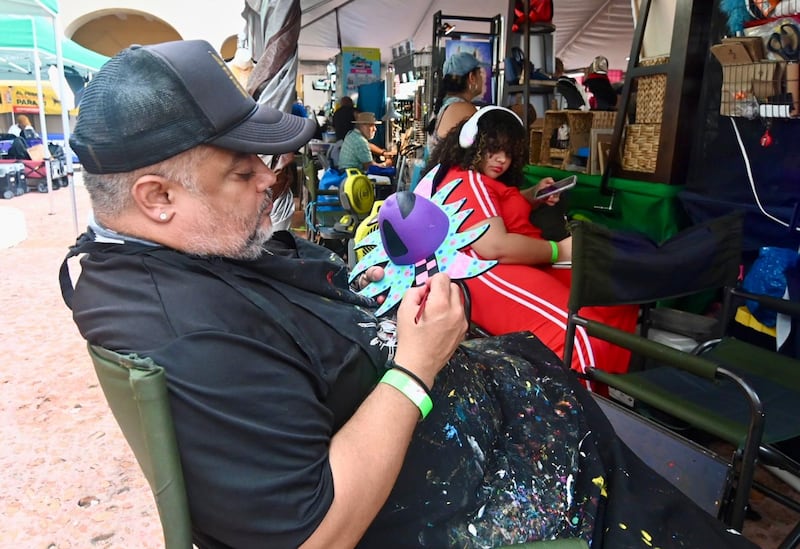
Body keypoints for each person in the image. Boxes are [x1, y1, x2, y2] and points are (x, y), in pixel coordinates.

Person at [59, 40, 757, 549]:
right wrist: (416, 367)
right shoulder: (190, 333)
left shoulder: (193, 256)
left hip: (501, 420)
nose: (270, 181)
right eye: (242, 172)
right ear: (156, 198)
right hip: (489, 488)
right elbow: (317, 535)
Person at [424, 106, 639, 375]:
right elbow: (494, 246)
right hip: (497, 270)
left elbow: (494, 209)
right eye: (493, 149)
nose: (501, 159)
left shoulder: (477, 179)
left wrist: (531, 196)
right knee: (584, 336)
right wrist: (556, 250)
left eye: (509, 152)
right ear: (473, 144)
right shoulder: (469, 181)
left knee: (613, 298)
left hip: (515, 264)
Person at [427, 51, 485, 153]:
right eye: (480, 73)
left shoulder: (447, 105)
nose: (483, 78)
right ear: (472, 77)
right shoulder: (462, 108)